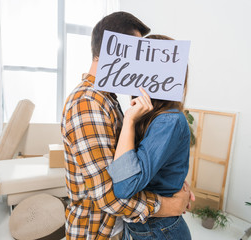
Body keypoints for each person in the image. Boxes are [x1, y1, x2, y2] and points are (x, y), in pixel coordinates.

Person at [61, 12, 194, 240]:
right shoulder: (88, 104)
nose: (141, 65)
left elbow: (129, 162)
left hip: (121, 229)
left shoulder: (108, 100)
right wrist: (171, 205)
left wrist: (170, 177)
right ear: (113, 49)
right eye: (136, 52)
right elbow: (111, 196)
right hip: (97, 232)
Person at [106, 34, 192, 240]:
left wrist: (129, 121)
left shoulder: (168, 121)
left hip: (159, 230)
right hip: (145, 227)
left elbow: (124, 187)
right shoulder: (149, 117)